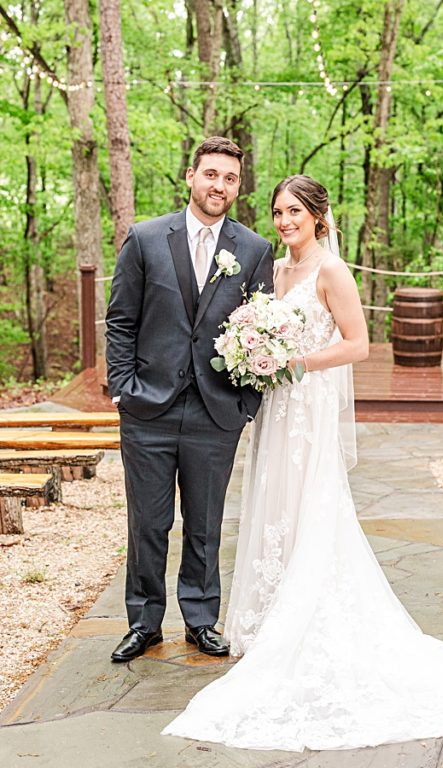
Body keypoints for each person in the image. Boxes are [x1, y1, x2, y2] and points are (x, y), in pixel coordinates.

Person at [162, 175, 443, 751]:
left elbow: (359, 343)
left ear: (319, 216)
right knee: (272, 500)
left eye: (294, 211)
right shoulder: (271, 268)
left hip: (308, 401)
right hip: (275, 404)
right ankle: (270, 614)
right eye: (277, 212)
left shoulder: (331, 271)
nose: (284, 220)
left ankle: (307, 611)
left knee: (310, 500)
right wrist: (255, 352)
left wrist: (294, 359)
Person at [106, 137, 274, 663]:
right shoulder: (146, 238)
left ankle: (201, 619)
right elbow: (120, 321)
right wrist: (124, 390)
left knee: (205, 523)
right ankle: (143, 621)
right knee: (148, 522)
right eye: (211, 175)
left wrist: (244, 405)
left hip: (215, 411)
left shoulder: (254, 250)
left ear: (238, 186)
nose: (219, 186)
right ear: (191, 176)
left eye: (229, 178)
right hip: (147, 409)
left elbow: (265, 329)